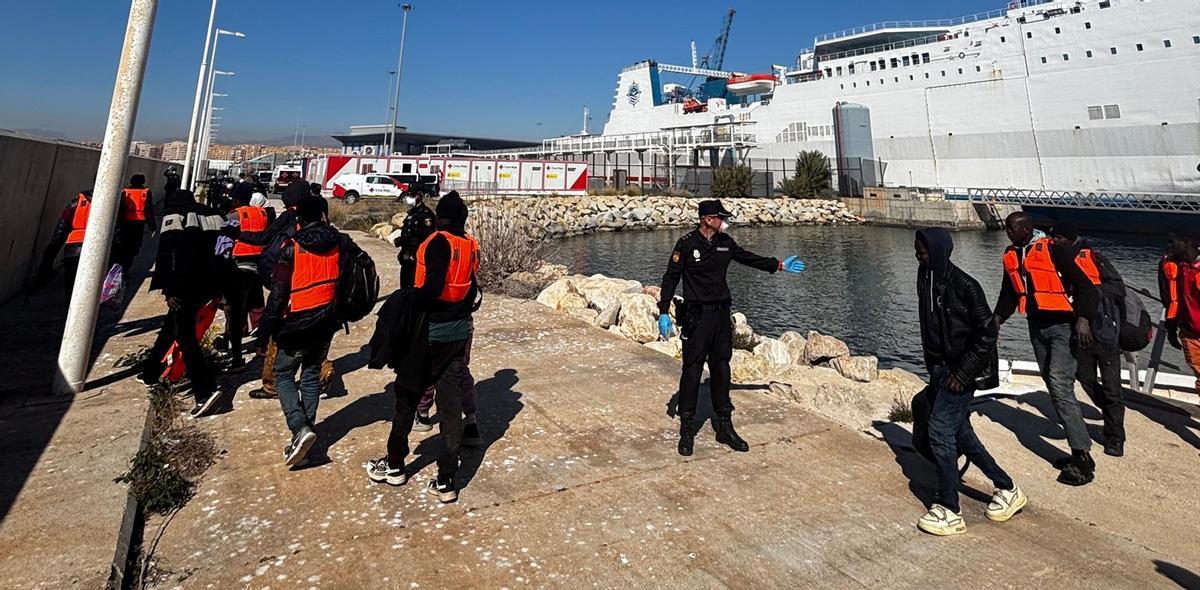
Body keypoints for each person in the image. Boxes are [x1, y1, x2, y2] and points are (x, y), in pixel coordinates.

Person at [657, 199, 806, 456]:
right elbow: (671, 277)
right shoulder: (686, 244)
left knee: (721, 368)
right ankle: (687, 429)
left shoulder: (725, 243)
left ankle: (725, 426)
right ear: (707, 219)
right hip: (696, 317)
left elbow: (747, 258)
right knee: (692, 371)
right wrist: (663, 311)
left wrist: (779, 265)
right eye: (720, 217)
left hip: (720, 317)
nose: (724, 221)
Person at [367, 191, 480, 504]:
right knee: (450, 406)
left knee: (406, 397)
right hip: (458, 334)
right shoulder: (468, 245)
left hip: (428, 333)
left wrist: (405, 300)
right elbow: (470, 289)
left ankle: (394, 464)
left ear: (440, 217)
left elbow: (431, 289)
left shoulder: (438, 243)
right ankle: (446, 479)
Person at [913, 228, 1027, 536]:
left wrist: (961, 375)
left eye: (922, 251)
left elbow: (987, 334)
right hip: (940, 371)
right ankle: (1007, 488)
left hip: (962, 372)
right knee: (961, 435)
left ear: (937, 251)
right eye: (916, 250)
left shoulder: (966, 286)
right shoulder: (925, 277)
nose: (917, 255)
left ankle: (950, 509)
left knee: (939, 431)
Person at [993, 212, 1100, 486]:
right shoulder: (1012, 254)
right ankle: (1080, 448)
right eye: (1006, 228)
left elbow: (1087, 287)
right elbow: (1009, 291)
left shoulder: (1054, 250)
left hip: (1064, 326)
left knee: (1060, 384)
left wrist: (1084, 320)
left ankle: (1082, 457)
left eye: (1012, 228)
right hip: (1037, 326)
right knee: (1053, 385)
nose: (1008, 232)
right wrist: (996, 319)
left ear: (1028, 229)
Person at [256, 194, 343, 466]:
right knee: (311, 375)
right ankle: (304, 437)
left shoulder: (291, 248)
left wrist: (263, 334)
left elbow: (277, 297)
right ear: (323, 215)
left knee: (283, 374)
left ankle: (298, 427)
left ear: (298, 218)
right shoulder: (338, 243)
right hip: (326, 320)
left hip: (295, 322)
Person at [136, 190, 226, 417]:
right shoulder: (213, 216)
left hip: (185, 285)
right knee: (171, 327)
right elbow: (222, 249)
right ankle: (151, 372)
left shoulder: (175, 218)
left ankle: (205, 390)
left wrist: (170, 288)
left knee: (185, 336)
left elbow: (169, 255)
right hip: (209, 284)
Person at [241, 182, 333, 400]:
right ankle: (323, 368)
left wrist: (238, 233)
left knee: (277, 336)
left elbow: (265, 238)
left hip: (289, 281)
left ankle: (271, 385)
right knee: (313, 337)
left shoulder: (291, 218)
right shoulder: (324, 223)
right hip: (317, 287)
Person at [1050, 222, 1127, 457]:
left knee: (1112, 387)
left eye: (1059, 238)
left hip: (1104, 331)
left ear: (1071, 239)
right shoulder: (1057, 261)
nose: (1055, 242)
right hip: (1078, 331)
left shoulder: (1095, 257)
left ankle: (1115, 437)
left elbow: (1118, 288)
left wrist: (1089, 291)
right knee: (1085, 378)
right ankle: (1110, 413)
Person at [36, 190, 124, 301]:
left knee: (71, 284)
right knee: (93, 284)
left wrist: (51, 253)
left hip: (73, 247)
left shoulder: (77, 201)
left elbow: (61, 229)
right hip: (98, 246)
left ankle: (71, 310)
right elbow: (117, 229)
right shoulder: (111, 203)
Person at [222, 191, 275, 369]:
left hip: (239, 261)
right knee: (256, 298)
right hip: (259, 260)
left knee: (236, 307)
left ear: (237, 200)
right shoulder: (262, 213)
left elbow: (224, 238)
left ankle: (236, 342)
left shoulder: (233, 215)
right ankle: (259, 329)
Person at [1160, 233, 1200, 391]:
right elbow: (1167, 298)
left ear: (1188, 243)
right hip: (1189, 331)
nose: (1169, 246)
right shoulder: (1168, 264)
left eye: (1173, 242)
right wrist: (1171, 328)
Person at [394, 191, 436, 289]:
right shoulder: (412, 213)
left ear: (419, 197)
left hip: (417, 257)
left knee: (415, 286)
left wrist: (408, 239)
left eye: (412, 196)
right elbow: (409, 232)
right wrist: (401, 240)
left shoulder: (426, 214)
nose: (409, 198)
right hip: (406, 256)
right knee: (404, 286)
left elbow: (428, 237)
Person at [115, 174, 155, 271]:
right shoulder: (145, 192)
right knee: (133, 248)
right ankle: (125, 269)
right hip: (138, 223)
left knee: (123, 246)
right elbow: (149, 210)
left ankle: (120, 268)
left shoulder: (125, 191)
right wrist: (152, 226)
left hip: (125, 223)